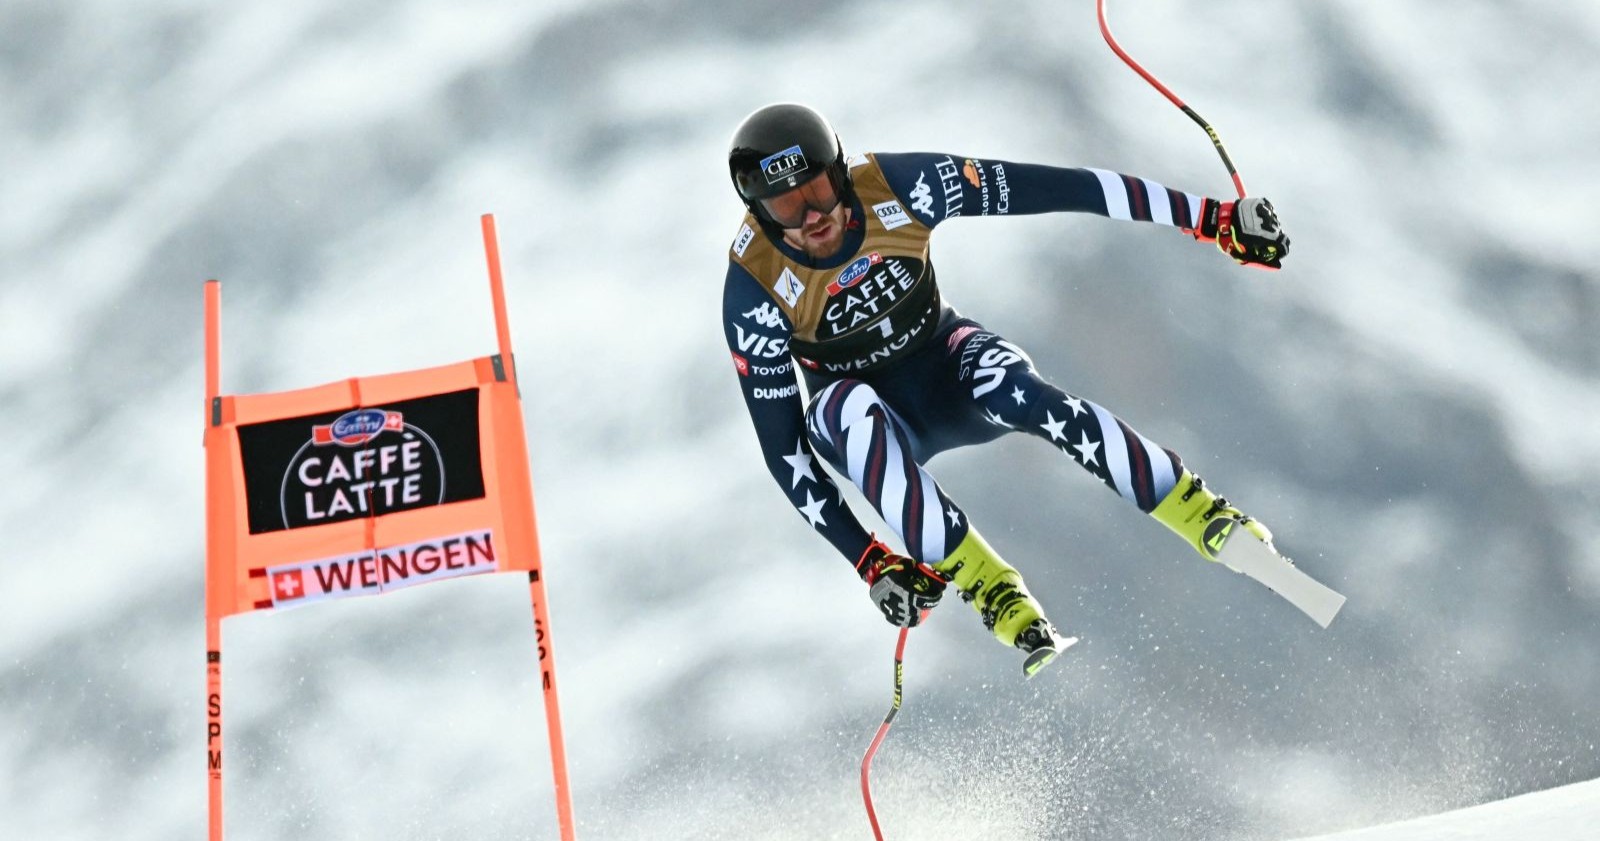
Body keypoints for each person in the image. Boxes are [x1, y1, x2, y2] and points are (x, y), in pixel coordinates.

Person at [721, 103, 1291, 677]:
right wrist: (870, 561)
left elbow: (1064, 188)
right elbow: (786, 451)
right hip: (870, 426)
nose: (811, 217)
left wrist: (1212, 218)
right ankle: (988, 586)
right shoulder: (754, 286)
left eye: (817, 190)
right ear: (759, 214)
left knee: (1018, 390)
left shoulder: (900, 185)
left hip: (947, 367)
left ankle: (1196, 509)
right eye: (786, 206)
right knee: (846, 407)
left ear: (841, 172)